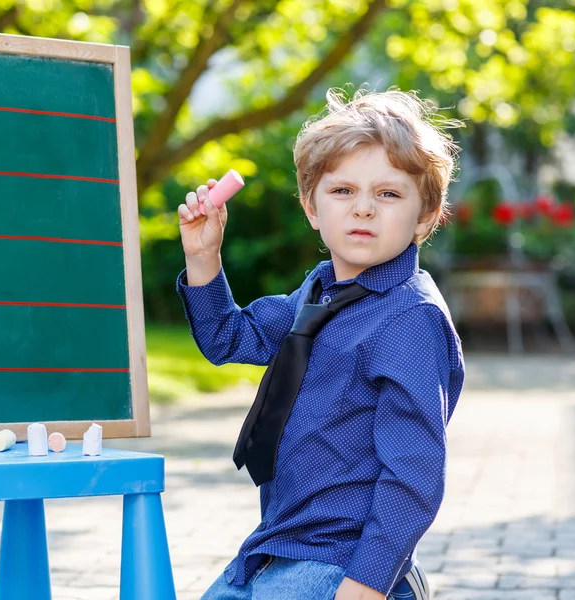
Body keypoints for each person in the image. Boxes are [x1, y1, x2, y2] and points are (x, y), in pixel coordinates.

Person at [176, 87, 465, 600]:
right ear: (311, 207)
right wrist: (204, 259)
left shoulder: (411, 320)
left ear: (426, 216)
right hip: (275, 547)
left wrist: (366, 585)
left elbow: (415, 475)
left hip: (343, 561)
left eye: (388, 194)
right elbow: (228, 337)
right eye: (342, 191)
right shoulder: (318, 291)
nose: (364, 210)